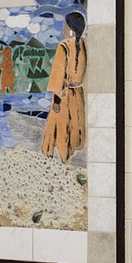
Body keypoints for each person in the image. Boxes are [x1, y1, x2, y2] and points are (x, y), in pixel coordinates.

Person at [42, 11, 87, 164]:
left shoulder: (63, 46)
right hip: (78, 92)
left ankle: (61, 156)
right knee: (75, 123)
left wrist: (56, 99)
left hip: (64, 94)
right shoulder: (82, 44)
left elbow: (58, 75)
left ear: (70, 28)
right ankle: (73, 150)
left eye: (65, 25)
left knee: (61, 126)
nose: (63, 28)